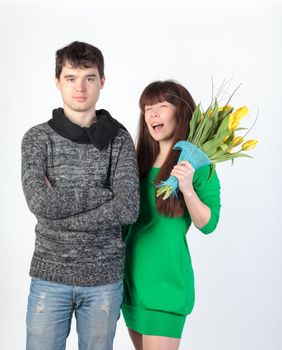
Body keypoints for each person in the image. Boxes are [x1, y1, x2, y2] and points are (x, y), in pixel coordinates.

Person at [21, 41, 139, 350]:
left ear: (102, 81)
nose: (80, 87)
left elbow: (128, 208)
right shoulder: (37, 138)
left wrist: (60, 211)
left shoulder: (119, 139)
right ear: (57, 81)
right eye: (71, 77)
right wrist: (104, 195)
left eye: (89, 77)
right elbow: (39, 203)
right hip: (50, 275)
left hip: (104, 279)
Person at [122, 80, 221, 350]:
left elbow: (208, 223)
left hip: (166, 286)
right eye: (147, 108)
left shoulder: (198, 165)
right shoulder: (137, 163)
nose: (152, 114)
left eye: (161, 107)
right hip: (131, 282)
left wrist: (187, 188)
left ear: (180, 111)